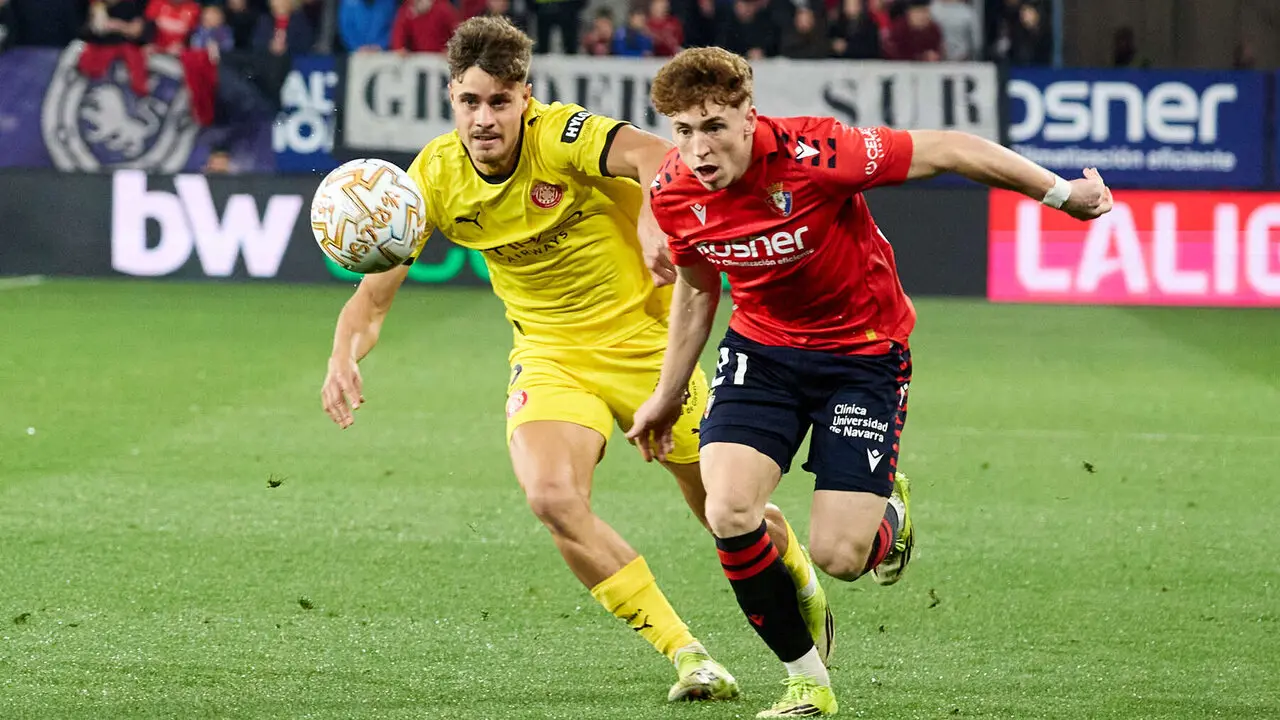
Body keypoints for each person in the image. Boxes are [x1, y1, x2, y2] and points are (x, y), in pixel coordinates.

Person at [319, 18, 832, 703]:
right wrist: (343, 354)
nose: (484, 118)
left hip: (649, 348)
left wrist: (651, 216)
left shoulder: (561, 135)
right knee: (552, 498)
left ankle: (797, 571)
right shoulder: (434, 177)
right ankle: (688, 655)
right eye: (470, 101)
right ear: (451, 98)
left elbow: (655, 154)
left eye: (499, 101)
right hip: (551, 356)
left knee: (724, 513)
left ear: (524, 98)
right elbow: (371, 303)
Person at [627, 46, 1113, 718]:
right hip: (762, 353)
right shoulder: (674, 191)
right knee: (729, 511)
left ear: (748, 116)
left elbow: (950, 148)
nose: (699, 149)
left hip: (862, 355)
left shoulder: (818, 153)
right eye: (683, 131)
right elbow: (697, 289)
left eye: (714, 126)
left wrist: (1063, 194)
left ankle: (889, 512)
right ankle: (808, 683)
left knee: (842, 556)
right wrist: (667, 393)